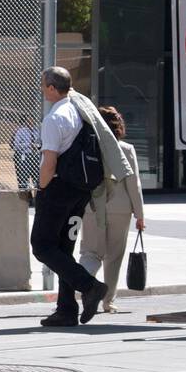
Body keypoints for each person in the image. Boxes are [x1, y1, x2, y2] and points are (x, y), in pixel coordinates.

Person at [33, 66, 133, 328]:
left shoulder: (55, 119)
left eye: (44, 85)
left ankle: (90, 286)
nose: (42, 90)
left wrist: (41, 188)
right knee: (64, 249)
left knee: (42, 245)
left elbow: (49, 161)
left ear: (53, 88)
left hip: (58, 189)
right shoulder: (80, 111)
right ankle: (66, 309)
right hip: (80, 191)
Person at [79, 106, 146, 314]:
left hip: (92, 207)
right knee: (114, 256)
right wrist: (139, 214)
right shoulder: (126, 149)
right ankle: (108, 301)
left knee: (90, 253)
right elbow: (133, 183)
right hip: (120, 208)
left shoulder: (88, 147)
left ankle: (86, 288)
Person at [13, 121, 39, 193]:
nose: (31, 121)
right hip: (24, 155)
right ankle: (26, 195)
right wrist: (28, 144)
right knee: (24, 175)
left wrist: (37, 145)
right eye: (29, 119)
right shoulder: (21, 131)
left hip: (35, 155)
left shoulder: (37, 130)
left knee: (37, 176)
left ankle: (37, 196)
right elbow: (16, 145)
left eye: (32, 119)